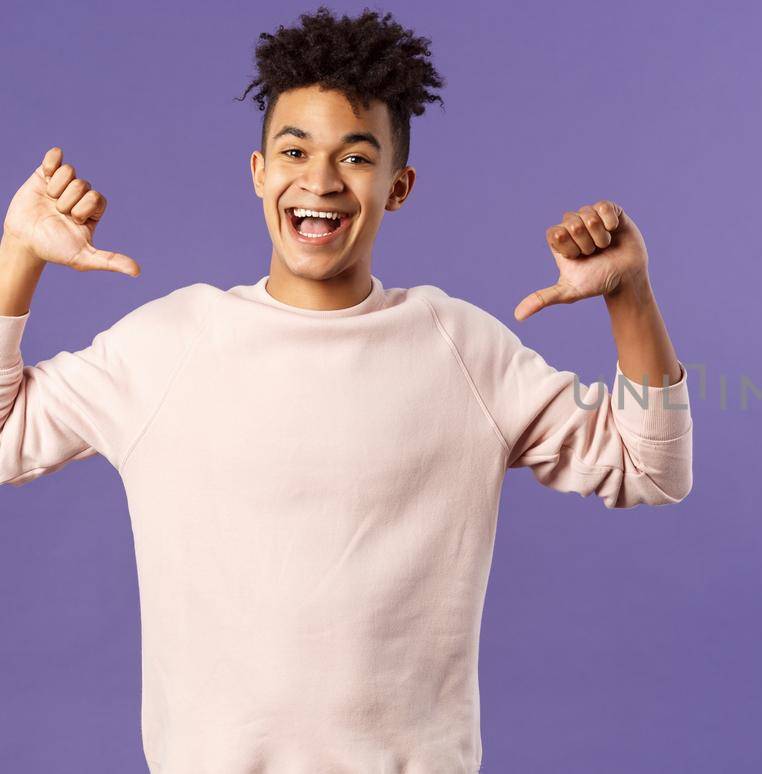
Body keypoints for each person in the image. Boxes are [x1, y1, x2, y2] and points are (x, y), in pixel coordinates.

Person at [0, 7, 692, 772]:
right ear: (258, 172)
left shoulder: (459, 348)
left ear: (399, 186)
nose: (320, 181)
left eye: (355, 158)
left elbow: (650, 468)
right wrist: (17, 257)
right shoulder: (169, 344)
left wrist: (629, 293)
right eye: (294, 150)